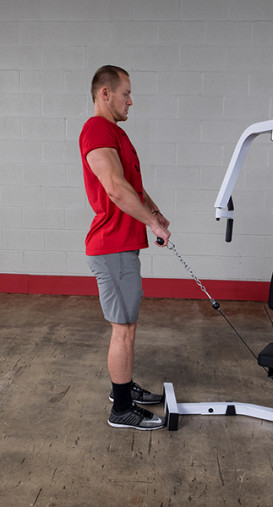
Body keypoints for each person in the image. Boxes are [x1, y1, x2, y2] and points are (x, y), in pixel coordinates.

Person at [79, 65, 171, 430]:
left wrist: (155, 213)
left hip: (121, 246)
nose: (130, 101)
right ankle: (121, 408)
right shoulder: (97, 129)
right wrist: (151, 223)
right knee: (124, 328)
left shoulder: (116, 133)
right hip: (111, 246)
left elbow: (133, 187)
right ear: (105, 93)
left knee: (128, 325)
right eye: (126, 94)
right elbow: (116, 189)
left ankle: (124, 387)